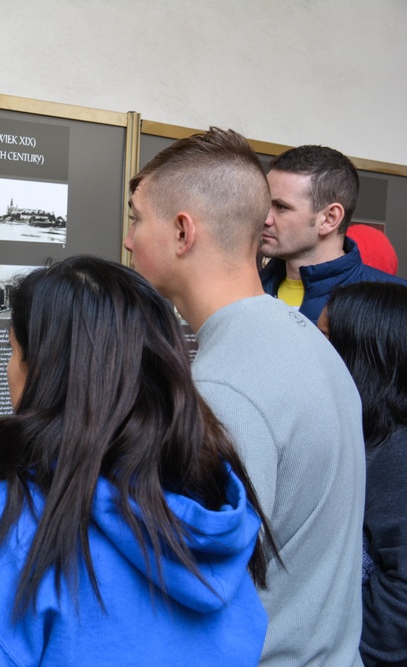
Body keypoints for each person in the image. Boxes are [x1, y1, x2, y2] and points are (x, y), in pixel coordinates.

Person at [0, 256, 276, 666]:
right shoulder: (215, 515)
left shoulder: (1, 528)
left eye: (13, 351)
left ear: (44, 371)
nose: (9, 370)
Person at [124, 127, 366, 666]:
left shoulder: (225, 386)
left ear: (183, 232)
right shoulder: (302, 339)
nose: (129, 238)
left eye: (137, 217)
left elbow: (199, 587)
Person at [320, 282, 407, 667]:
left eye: (324, 338)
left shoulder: (398, 454)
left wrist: (352, 653)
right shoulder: (365, 432)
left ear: (360, 354)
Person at [260, 144, 407, 324]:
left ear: (330, 218)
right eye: (265, 204)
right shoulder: (249, 289)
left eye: (281, 207)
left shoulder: (393, 307)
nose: (265, 218)